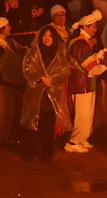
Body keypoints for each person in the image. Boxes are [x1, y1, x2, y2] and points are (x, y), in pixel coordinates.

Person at [21, 22, 71, 161]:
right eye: (44, 36)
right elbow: (27, 69)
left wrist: (51, 81)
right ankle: (30, 152)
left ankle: (47, 153)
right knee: (32, 124)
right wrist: (40, 78)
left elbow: (64, 72)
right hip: (35, 94)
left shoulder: (59, 56)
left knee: (48, 125)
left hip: (51, 96)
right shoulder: (33, 53)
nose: (46, 39)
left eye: (50, 36)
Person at [63, 11, 106, 154]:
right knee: (83, 113)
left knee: (87, 113)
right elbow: (92, 69)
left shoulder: (82, 42)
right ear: (85, 27)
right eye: (93, 26)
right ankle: (74, 141)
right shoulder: (81, 43)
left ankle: (82, 138)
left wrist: (97, 56)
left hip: (84, 83)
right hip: (81, 83)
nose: (95, 29)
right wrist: (105, 65)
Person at [0, 18, 23, 149]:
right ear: (2, 29)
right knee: (3, 111)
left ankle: (7, 135)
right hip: (2, 82)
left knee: (10, 110)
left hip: (11, 81)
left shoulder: (8, 42)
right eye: (8, 26)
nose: (10, 28)